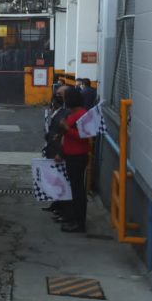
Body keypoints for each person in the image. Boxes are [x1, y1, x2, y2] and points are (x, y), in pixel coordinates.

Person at [54, 88, 90, 233]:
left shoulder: (83, 115)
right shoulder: (73, 113)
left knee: (78, 190)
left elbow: (84, 136)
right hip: (70, 155)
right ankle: (72, 218)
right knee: (73, 189)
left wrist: (67, 129)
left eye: (66, 98)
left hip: (78, 157)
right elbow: (68, 131)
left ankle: (79, 223)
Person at [41, 85, 70, 215]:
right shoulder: (54, 113)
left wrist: (60, 152)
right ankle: (56, 204)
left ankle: (62, 208)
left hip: (57, 151)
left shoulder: (64, 114)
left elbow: (64, 135)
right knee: (54, 179)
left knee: (60, 180)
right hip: (52, 149)